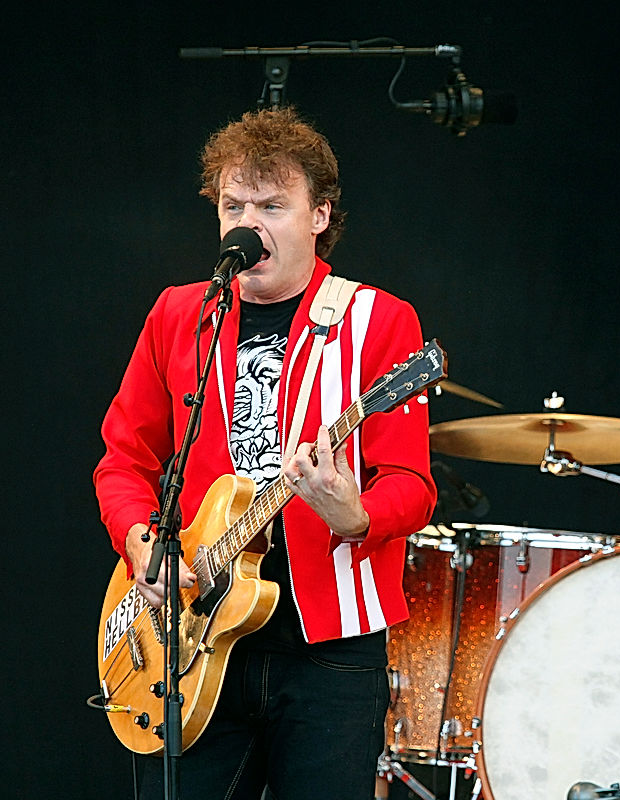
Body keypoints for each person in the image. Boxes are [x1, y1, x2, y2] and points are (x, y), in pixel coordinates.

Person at [94, 106, 437, 799]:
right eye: (234, 205)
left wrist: (352, 513)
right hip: (188, 635)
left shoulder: (379, 319)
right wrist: (140, 543)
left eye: (273, 205)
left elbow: (411, 483)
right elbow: (123, 461)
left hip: (329, 653)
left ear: (320, 215)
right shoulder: (179, 313)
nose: (248, 224)